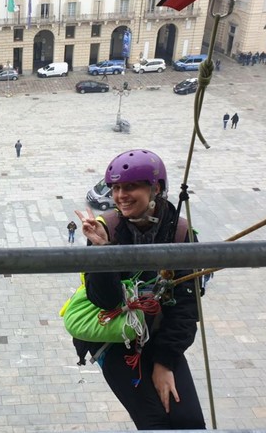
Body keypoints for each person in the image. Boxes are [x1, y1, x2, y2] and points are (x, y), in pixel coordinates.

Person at [74, 149, 205, 430]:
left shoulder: (180, 235)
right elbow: (105, 301)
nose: (121, 195)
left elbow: (186, 307)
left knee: (190, 421)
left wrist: (164, 363)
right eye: (116, 188)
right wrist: (103, 251)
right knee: (154, 421)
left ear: (155, 188)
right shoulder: (105, 229)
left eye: (131, 186)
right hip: (116, 340)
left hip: (160, 336)